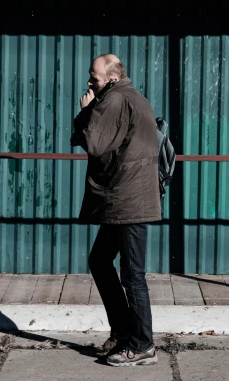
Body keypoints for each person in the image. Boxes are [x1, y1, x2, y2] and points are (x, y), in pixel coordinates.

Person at [70, 54, 162, 367]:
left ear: (110, 78)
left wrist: (85, 112)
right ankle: (124, 331)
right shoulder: (132, 96)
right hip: (126, 197)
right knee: (99, 260)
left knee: (132, 276)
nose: (88, 82)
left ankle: (142, 344)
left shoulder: (113, 100)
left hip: (129, 199)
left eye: (93, 76)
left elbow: (93, 143)